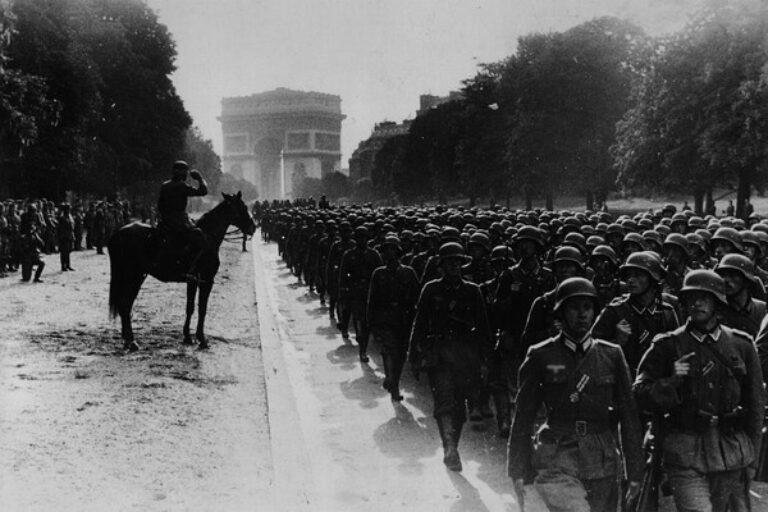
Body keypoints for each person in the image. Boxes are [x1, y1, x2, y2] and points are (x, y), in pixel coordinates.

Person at [507, 277, 643, 512]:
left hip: (602, 457)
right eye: (574, 307)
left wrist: (635, 471)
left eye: (587, 308)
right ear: (561, 312)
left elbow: (629, 418)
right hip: (557, 453)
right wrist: (518, 470)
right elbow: (523, 415)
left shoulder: (611, 355)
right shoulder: (541, 355)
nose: (582, 315)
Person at [635, 270, 765, 512]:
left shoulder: (741, 345)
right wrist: (671, 382)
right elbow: (640, 393)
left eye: (704, 298)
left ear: (717, 303)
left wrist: (752, 460)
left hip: (731, 452)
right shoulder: (667, 344)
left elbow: (756, 405)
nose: (696, 304)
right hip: (685, 450)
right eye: (691, 298)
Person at [409, 241, 492, 471]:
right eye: (449, 263)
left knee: (460, 407)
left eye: (457, 262)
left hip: (466, 356)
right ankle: (450, 448)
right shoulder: (431, 289)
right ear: (441, 266)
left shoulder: (472, 291)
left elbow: (484, 328)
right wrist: (413, 355)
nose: (454, 266)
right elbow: (419, 323)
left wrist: (486, 360)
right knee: (444, 400)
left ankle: (452, 444)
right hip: (439, 354)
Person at [366, 235, 420, 401]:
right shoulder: (378, 273)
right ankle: (390, 378)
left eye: (393, 250)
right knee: (389, 349)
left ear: (398, 252)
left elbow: (417, 297)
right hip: (385, 320)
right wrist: (371, 324)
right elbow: (372, 300)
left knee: (401, 355)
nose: (389, 254)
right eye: (386, 250)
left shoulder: (408, 273)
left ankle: (394, 382)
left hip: (403, 320)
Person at [156, 160, 208, 282]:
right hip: (179, 222)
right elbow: (203, 191)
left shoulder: (165, 185)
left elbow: (160, 205)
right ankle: (191, 270)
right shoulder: (182, 186)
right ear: (177, 171)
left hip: (166, 221)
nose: (186, 174)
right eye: (184, 171)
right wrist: (200, 178)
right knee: (200, 238)